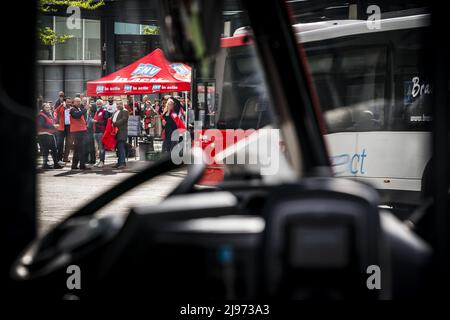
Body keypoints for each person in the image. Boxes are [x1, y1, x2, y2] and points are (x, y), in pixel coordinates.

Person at [37, 103, 63, 169]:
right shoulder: (41, 115)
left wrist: (54, 126)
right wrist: (53, 126)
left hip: (49, 134)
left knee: (53, 150)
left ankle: (54, 164)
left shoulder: (48, 114)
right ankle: (45, 164)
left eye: (49, 107)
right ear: (43, 108)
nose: (48, 108)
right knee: (46, 150)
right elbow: (41, 124)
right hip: (44, 135)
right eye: (46, 107)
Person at [70, 97, 90, 170]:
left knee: (78, 149)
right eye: (77, 101)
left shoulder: (78, 109)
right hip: (77, 131)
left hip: (80, 131)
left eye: (79, 101)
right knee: (80, 149)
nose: (79, 103)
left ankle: (75, 165)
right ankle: (81, 165)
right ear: (74, 102)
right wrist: (85, 109)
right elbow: (76, 116)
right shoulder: (72, 109)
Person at [54, 96, 74, 162]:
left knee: (69, 143)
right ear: (65, 102)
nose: (69, 103)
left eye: (70, 102)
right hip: (61, 127)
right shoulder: (61, 108)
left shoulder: (72, 108)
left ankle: (65, 158)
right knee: (60, 143)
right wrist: (61, 105)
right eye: (67, 102)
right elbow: (56, 111)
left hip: (70, 127)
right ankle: (59, 158)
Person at [93, 99, 111, 168]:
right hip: (96, 132)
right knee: (98, 148)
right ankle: (99, 160)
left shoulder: (104, 111)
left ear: (102, 104)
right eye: (97, 103)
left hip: (101, 132)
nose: (98, 105)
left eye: (100, 103)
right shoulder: (97, 112)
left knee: (101, 148)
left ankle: (102, 161)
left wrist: (96, 122)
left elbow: (105, 122)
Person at [112, 100, 129, 169]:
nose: (118, 105)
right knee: (118, 149)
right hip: (116, 132)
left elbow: (124, 119)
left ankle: (122, 163)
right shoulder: (116, 111)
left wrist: (114, 123)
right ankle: (119, 162)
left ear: (122, 104)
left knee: (121, 148)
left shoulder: (125, 111)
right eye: (117, 104)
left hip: (122, 132)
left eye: (119, 104)